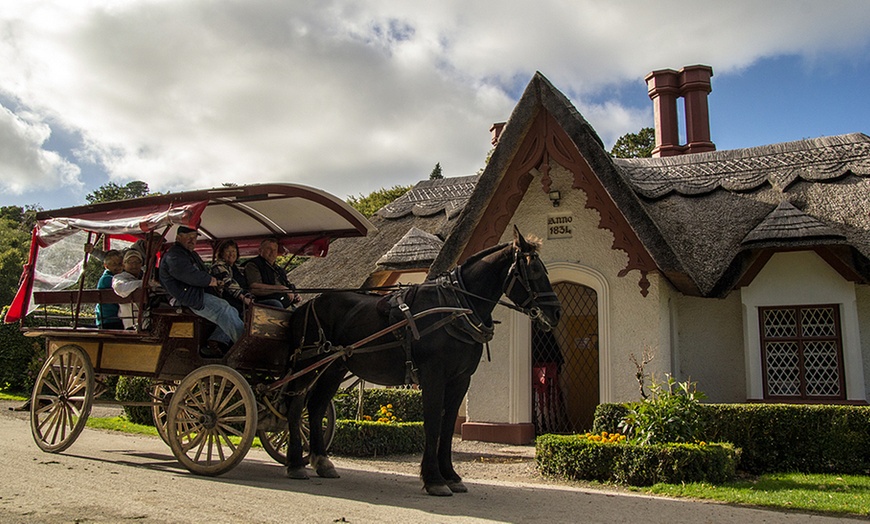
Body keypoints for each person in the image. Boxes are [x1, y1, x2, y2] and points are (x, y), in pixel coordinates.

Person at [159, 225, 244, 358]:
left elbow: (203, 271)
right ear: (178, 238)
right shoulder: (174, 256)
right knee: (224, 309)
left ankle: (221, 342)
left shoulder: (191, 254)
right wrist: (211, 280)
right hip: (186, 297)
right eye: (189, 237)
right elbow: (190, 275)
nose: (192, 240)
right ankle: (245, 347)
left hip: (196, 294)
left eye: (194, 237)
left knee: (232, 310)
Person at [244, 237, 299, 309]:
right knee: (276, 304)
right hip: (263, 300)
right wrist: (280, 288)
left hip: (283, 300)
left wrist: (295, 294)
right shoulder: (253, 264)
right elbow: (254, 288)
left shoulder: (279, 269)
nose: (272, 252)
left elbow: (287, 285)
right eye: (269, 249)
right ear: (260, 250)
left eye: (274, 250)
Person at [209, 239, 253, 314]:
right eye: (228, 251)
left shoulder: (237, 268)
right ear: (222, 253)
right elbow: (228, 284)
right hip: (227, 302)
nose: (231, 254)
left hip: (243, 300)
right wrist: (243, 298)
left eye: (233, 251)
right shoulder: (218, 266)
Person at [112, 249, 145, 329]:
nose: (134, 265)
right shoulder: (119, 278)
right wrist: (143, 283)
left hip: (146, 322)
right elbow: (121, 288)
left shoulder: (144, 276)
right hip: (131, 324)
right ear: (124, 265)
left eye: (137, 262)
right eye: (130, 262)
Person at [95, 249, 124, 329]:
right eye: (114, 264)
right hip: (109, 319)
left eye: (119, 264)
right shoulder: (107, 279)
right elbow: (122, 286)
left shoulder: (118, 277)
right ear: (106, 266)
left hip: (115, 317)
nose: (118, 267)